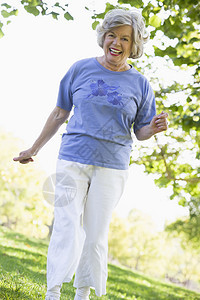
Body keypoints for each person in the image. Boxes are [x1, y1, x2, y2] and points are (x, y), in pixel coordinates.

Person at [13, 8, 168, 300]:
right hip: (72, 157)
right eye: (112, 35)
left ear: (133, 45)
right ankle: (53, 292)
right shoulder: (80, 69)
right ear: (103, 37)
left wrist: (154, 129)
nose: (117, 43)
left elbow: (141, 131)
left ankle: (82, 294)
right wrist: (34, 148)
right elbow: (60, 111)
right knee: (67, 226)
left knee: (95, 235)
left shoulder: (141, 84)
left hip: (112, 166)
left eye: (125, 38)